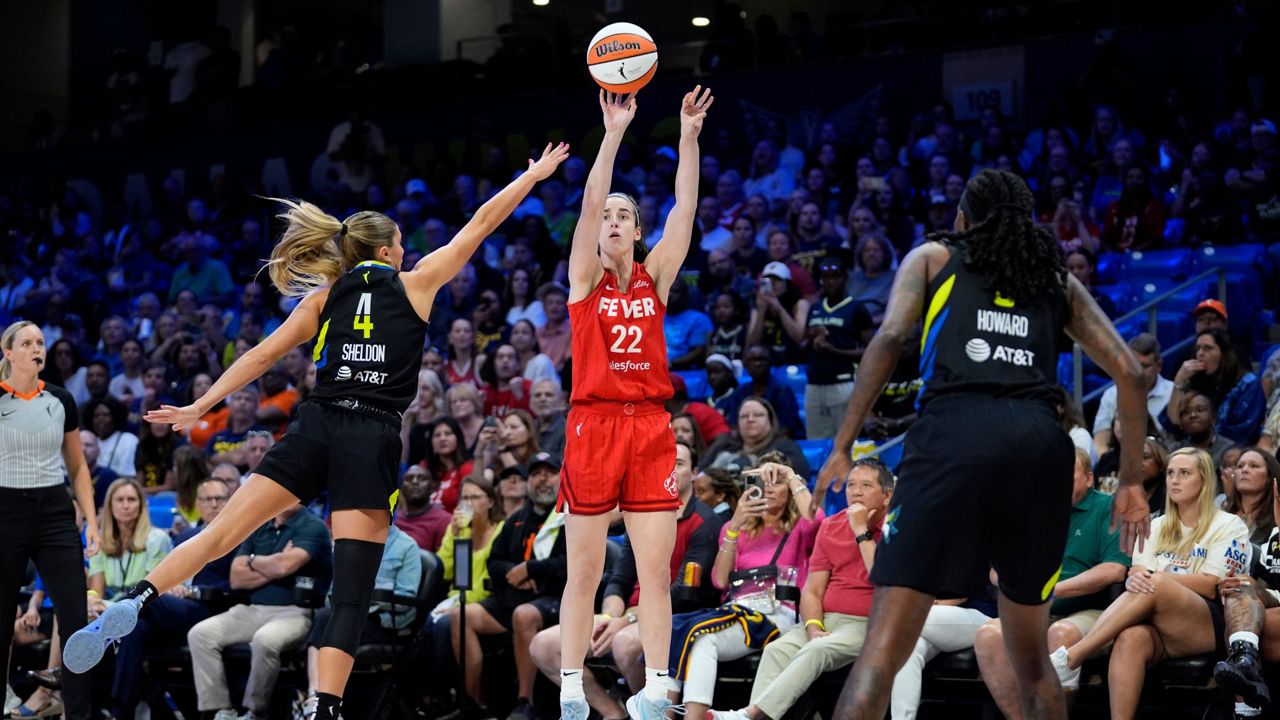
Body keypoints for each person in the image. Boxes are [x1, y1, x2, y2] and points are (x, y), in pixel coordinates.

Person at [64, 143, 570, 720]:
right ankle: (326, 706)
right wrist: (534, 174)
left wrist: (198, 405)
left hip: (317, 424)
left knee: (218, 535)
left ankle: (137, 597)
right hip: (371, 435)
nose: (408, 250)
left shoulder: (325, 296)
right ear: (387, 251)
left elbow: (259, 357)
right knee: (351, 591)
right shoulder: (418, 283)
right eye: (401, 243)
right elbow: (481, 223)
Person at [816, 169, 1149, 720]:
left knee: (880, 657)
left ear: (963, 219)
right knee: (1034, 663)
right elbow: (1132, 374)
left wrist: (842, 444)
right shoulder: (1056, 280)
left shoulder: (933, 258)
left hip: (954, 433)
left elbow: (892, 337)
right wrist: (1133, 480)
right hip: (1039, 446)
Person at [556, 86, 713, 720]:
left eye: (626, 216)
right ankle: (570, 685)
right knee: (585, 570)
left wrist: (688, 138)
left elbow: (687, 207)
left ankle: (655, 688)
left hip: (649, 427)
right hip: (592, 424)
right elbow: (591, 201)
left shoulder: (657, 276)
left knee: (655, 567)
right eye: (609, 218)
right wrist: (614, 132)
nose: (614, 222)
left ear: (638, 231)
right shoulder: (584, 277)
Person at [1049, 449, 1251, 719]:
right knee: (1130, 638)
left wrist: (1157, 577)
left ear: (1204, 480)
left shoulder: (1229, 524)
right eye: (1170, 473)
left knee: (1155, 581)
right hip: (1153, 621)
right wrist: (1142, 577)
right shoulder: (1155, 525)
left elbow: (1211, 584)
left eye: (1184, 473)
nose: (1174, 480)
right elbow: (1137, 572)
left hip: (1206, 621)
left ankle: (1072, 658)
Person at [529, 441, 722, 719]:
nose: (669, 470)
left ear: (693, 473)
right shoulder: (639, 516)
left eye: (678, 464)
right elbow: (620, 579)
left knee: (624, 643)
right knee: (544, 645)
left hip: (678, 617)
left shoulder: (706, 523)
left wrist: (627, 619)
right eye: (662, 464)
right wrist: (608, 616)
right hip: (627, 616)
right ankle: (614, 713)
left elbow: (685, 592)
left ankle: (651, 712)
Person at [709, 458, 894, 720]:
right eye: (851, 484)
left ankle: (750, 714)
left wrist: (861, 530)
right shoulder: (832, 526)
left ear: (886, 496)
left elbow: (882, 579)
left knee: (817, 650)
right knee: (777, 650)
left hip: (867, 623)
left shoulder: (895, 526)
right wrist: (814, 626)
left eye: (866, 485)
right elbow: (813, 590)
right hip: (827, 619)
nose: (856, 491)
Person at [974, 448, 1130, 719]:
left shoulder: (1108, 507)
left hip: (1091, 611)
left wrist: (1052, 590)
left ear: (1090, 478)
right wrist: (1018, 584)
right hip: (1034, 610)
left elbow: (1114, 570)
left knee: (1060, 634)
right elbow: (996, 571)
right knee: (988, 636)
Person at [666, 454, 820, 719]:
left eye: (777, 481)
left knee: (703, 637)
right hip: (736, 610)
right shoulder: (734, 527)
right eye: (762, 480)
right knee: (674, 629)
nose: (769, 487)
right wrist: (735, 527)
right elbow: (720, 581)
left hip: (777, 614)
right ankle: (663, 714)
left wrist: (790, 474)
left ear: (791, 488)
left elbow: (817, 521)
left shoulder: (799, 528)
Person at [0, 321, 100, 720]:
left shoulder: (60, 400)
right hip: (5, 510)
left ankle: (77, 713)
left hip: (55, 511)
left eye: (40, 342)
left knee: (76, 617)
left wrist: (91, 520)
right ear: (8, 353)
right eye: (26, 343)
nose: (36, 348)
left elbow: (77, 467)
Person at [187, 504, 334, 720]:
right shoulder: (259, 525)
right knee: (200, 634)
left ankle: (255, 711)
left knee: (264, 639)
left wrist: (253, 561)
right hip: (253, 610)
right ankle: (222, 710)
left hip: (296, 612)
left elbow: (285, 566)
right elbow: (236, 578)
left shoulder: (312, 526)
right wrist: (273, 565)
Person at [109, 477, 237, 720]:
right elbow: (168, 573)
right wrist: (174, 585)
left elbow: (237, 584)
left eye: (219, 498)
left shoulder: (238, 537)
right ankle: (120, 712)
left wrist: (193, 591)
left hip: (210, 608)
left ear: (230, 501)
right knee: (134, 628)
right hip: (174, 611)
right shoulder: (185, 536)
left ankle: (113, 612)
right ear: (197, 504)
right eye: (207, 499)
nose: (213, 504)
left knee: (150, 600)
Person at [452, 452, 568, 718]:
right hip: (509, 595)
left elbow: (575, 562)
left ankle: (524, 701)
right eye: (536, 473)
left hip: (551, 598)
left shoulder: (568, 515)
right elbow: (491, 561)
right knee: (460, 616)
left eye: (549, 473)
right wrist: (512, 573)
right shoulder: (516, 518)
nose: (542, 479)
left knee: (522, 615)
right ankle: (474, 702)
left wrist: (531, 570)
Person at [301, 524, 421, 710]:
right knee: (325, 617)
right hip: (350, 615)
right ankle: (316, 696)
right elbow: (332, 593)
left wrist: (365, 597)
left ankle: (319, 701)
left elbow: (406, 599)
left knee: (328, 621)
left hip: (382, 622)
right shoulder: (351, 543)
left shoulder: (407, 546)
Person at [805, 257, 874, 439]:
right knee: (816, 443)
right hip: (814, 384)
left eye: (835, 276)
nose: (830, 282)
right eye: (825, 277)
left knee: (845, 443)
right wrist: (810, 337)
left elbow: (871, 352)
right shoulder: (814, 308)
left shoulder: (856, 308)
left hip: (843, 382)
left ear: (845, 278)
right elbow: (803, 346)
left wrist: (834, 351)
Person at [1167, 328, 1265, 445]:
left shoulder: (1248, 384)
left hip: (1233, 453)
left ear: (1223, 353)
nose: (1200, 353)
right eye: (1198, 348)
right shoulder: (1194, 381)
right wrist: (1179, 381)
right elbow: (1173, 424)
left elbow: (1239, 434)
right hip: (1194, 450)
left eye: (1207, 348)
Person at [1091, 334, 1175, 457]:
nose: (1138, 372)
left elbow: (1176, 439)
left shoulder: (1173, 392)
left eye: (1145, 366)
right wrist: (1109, 465)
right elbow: (1100, 441)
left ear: (1159, 366)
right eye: (1133, 364)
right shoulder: (1111, 394)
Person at [705, 397, 810, 477]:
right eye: (744, 416)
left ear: (770, 421)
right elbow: (701, 475)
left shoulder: (785, 446)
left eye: (758, 415)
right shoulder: (726, 447)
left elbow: (799, 476)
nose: (750, 419)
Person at [722, 345, 805, 440]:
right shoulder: (740, 392)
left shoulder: (782, 391)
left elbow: (785, 430)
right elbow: (734, 426)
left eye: (762, 360)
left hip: (779, 445)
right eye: (753, 360)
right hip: (748, 444)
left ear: (770, 363)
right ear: (746, 365)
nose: (757, 364)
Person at [746, 262, 811, 365]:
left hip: (794, 361)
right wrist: (761, 311)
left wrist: (780, 310)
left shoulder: (800, 304)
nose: (772, 283)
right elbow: (753, 343)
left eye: (777, 279)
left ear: (787, 283)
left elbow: (800, 339)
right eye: (768, 280)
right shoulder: (758, 305)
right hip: (766, 363)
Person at [1223, 448, 1279, 546]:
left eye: (1254, 466)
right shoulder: (1220, 512)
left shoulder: (1277, 519)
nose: (1244, 470)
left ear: (1270, 477)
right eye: (1240, 466)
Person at [422, 416, 476, 512]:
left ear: (457, 438)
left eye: (448, 433)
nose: (442, 438)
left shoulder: (467, 468)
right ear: (431, 442)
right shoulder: (424, 467)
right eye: (437, 435)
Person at [394, 465, 451, 552]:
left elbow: (442, 563)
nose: (415, 482)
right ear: (402, 488)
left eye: (422, 478)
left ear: (432, 487)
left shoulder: (443, 520)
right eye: (409, 478)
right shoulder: (393, 519)